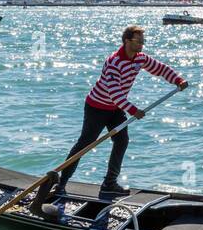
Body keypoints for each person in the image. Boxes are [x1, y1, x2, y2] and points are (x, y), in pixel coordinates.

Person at [55, 25, 187, 193]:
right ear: (127, 41)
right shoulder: (114, 62)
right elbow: (114, 93)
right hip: (96, 107)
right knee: (85, 144)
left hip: (116, 109)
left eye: (143, 41)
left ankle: (109, 183)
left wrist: (177, 80)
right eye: (138, 41)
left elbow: (160, 69)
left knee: (121, 141)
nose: (142, 45)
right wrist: (133, 110)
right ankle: (61, 183)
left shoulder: (140, 58)